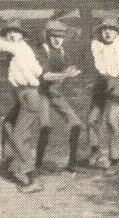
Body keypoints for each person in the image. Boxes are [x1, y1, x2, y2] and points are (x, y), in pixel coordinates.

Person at [0, 19, 43, 192]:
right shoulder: (19, 52)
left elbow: (4, 46)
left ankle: (32, 178)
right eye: (9, 33)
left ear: (22, 36)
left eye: (16, 32)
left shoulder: (20, 48)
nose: (12, 35)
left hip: (29, 97)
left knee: (19, 136)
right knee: (7, 124)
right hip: (22, 96)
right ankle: (12, 165)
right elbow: (36, 70)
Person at [36, 18, 84, 173]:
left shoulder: (62, 51)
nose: (57, 40)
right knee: (45, 127)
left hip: (55, 94)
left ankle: (71, 163)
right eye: (53, 36)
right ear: (48, 36)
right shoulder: (42, 50)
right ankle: (37, 163)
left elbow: (66, 68)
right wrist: (65, 74)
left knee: (76, 124)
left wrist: (71, 70)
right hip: (41, 93)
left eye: (61, 36)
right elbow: (45, 76)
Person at [88, 17, 119, 174]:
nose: (107, 32)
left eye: (111, 29)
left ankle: (116, 160)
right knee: (92, 119)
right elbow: (97, 67)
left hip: (118, 83)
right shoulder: (96, 45)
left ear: (117, 32)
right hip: (102, 83)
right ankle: (95, 151)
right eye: (104, 29)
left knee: (112, 122)